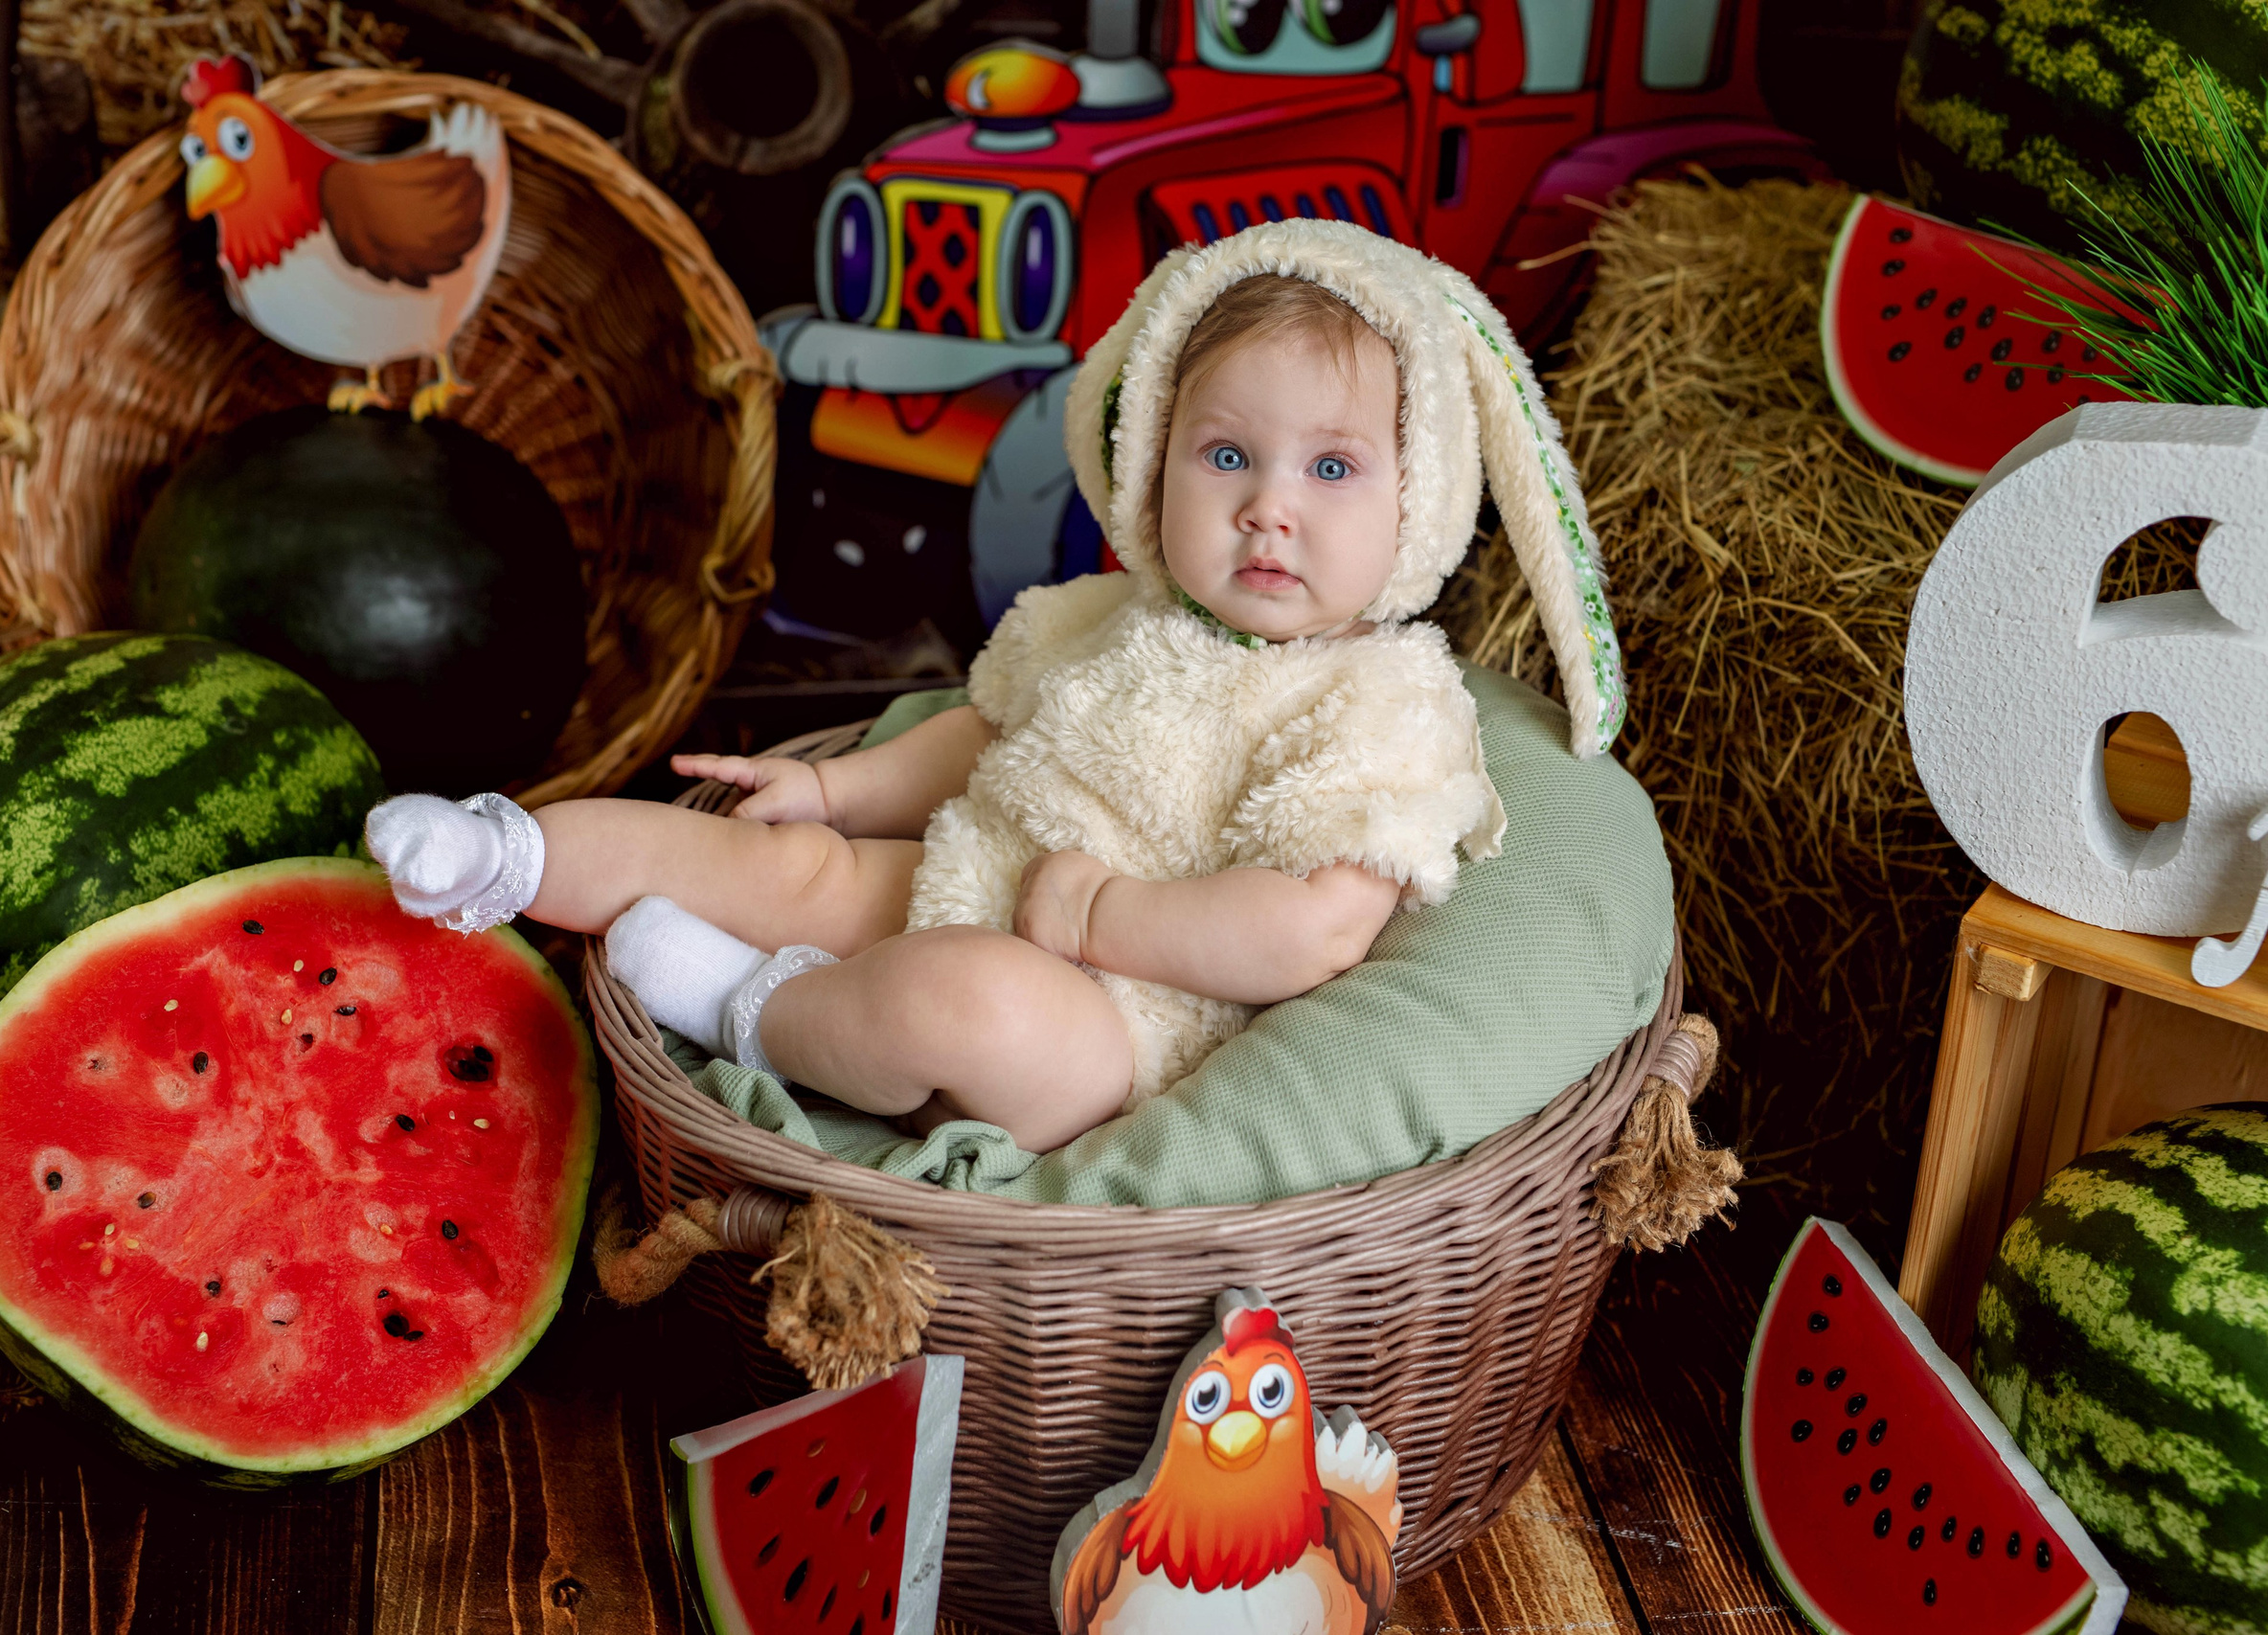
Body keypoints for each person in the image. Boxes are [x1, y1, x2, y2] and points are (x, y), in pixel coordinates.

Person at [367, 218, 1626, 1152]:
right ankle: (504, 851)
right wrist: (836, 787)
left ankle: (762, 1017)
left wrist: (1098, 925)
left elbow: (1314, 928)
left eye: (1335, 469)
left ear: (1428, 499)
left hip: (1116, 1027)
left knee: (969, 1003)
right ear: (1152, 466)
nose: (1268, 510)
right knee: (772, 860)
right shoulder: (1107, 616)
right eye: (1227, 453)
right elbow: (987, 731)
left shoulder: (1385, 705)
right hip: (967, 875)